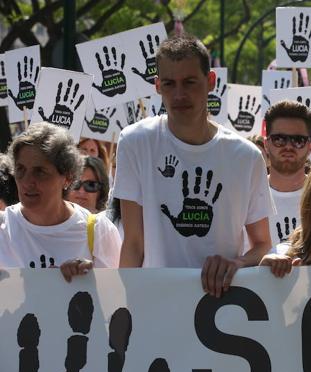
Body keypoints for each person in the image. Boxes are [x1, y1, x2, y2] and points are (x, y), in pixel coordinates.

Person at [113, 34, 273, 297]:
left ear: (210, 81)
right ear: (157, 86)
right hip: (158, 300)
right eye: (169, 84)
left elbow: (263, 243)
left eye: (189, 83)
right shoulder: (134, 141)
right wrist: (124, 308)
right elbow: (133, 243)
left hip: (224, 302)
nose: (179, 94)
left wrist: (238, 263)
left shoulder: (247, 156)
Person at [0, 122, 120, 281]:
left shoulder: (99, 232)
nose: (27, 182)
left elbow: (119, 299)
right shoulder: (2, 228)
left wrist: (90, 280)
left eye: (40, 172)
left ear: (67, 178)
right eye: (21, 170)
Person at [263, 100, 311, 245]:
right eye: (279, 139)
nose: (288, 146)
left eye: (298, 140)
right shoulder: (247, 195)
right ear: (266, 145)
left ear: (310, 147)